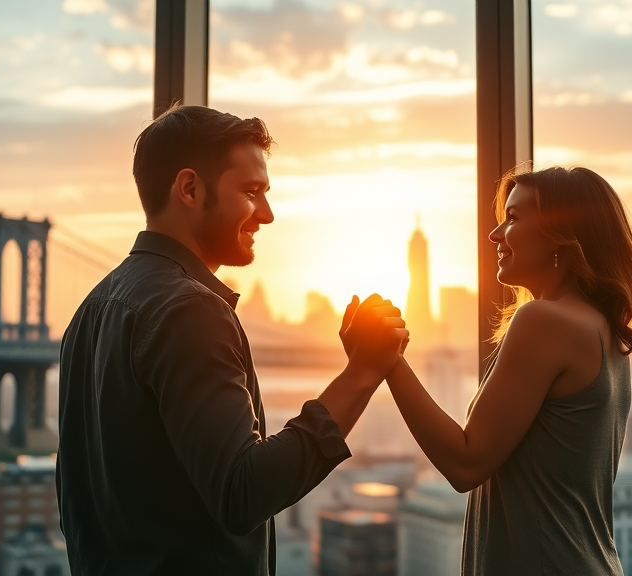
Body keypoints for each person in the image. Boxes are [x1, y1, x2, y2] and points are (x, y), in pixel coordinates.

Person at [56, 105, 407, 575]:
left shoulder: (90, 311)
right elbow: (244, 491)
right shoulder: (189, 309)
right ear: (189, 188)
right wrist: (362, 373)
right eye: (251, 192)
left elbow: (74, 498)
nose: (267, 214)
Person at [349, 165, 632, 574]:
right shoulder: (601, 327)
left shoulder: (544, 321)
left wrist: (387, 359)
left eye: (512, 219)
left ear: (560, 236)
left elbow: (465, 463)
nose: (495, 235)